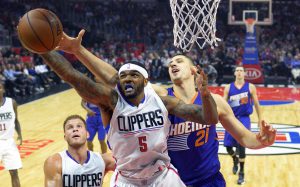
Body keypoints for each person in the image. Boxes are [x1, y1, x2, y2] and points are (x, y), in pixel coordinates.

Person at [54, 30, 276, 187]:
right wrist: (78, 50)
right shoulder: (160, 96)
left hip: (209, 180)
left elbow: (246, 138)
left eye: (179, 60)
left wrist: (263, 140)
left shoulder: (215, 101)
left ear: (193, 69)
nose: (172, 64)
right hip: (168, 180)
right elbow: (115, 79)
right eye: (170, 63)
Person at [36, 49, 218, 187]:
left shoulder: (164, 102)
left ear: (145, 81)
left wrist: (205, 94)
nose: (127, 79)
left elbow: (208, 118)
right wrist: (42, 49)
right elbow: (73, 77)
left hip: (162, 176)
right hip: (127, 179)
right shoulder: (110, 102)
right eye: (122, 76)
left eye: (134, 75)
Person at [43, 114, 115, 187]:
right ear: (65, 137)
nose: (75, 129)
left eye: (79, 126)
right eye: (70, 127)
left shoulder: (104, 160)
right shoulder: (55, 163)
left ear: (87, 134)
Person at [223, 65, 263, 185]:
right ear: (235, 73)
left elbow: (256, 104)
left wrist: (260, 119)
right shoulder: (228, 87)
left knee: (242, 146)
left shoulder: (250, 87)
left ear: (244, 74)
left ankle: (242, 173)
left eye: (241, 71)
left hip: (245, 119)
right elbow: (223, 103)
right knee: (228, 147)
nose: (239, 72)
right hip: (231, 119)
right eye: (237, 70)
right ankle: (234, 159)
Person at [0, 82, 23, 187]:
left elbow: (16, 121)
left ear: (3, 89)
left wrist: (20, 134)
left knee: (14, 173)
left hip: (9, 142)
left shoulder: (12, 102)